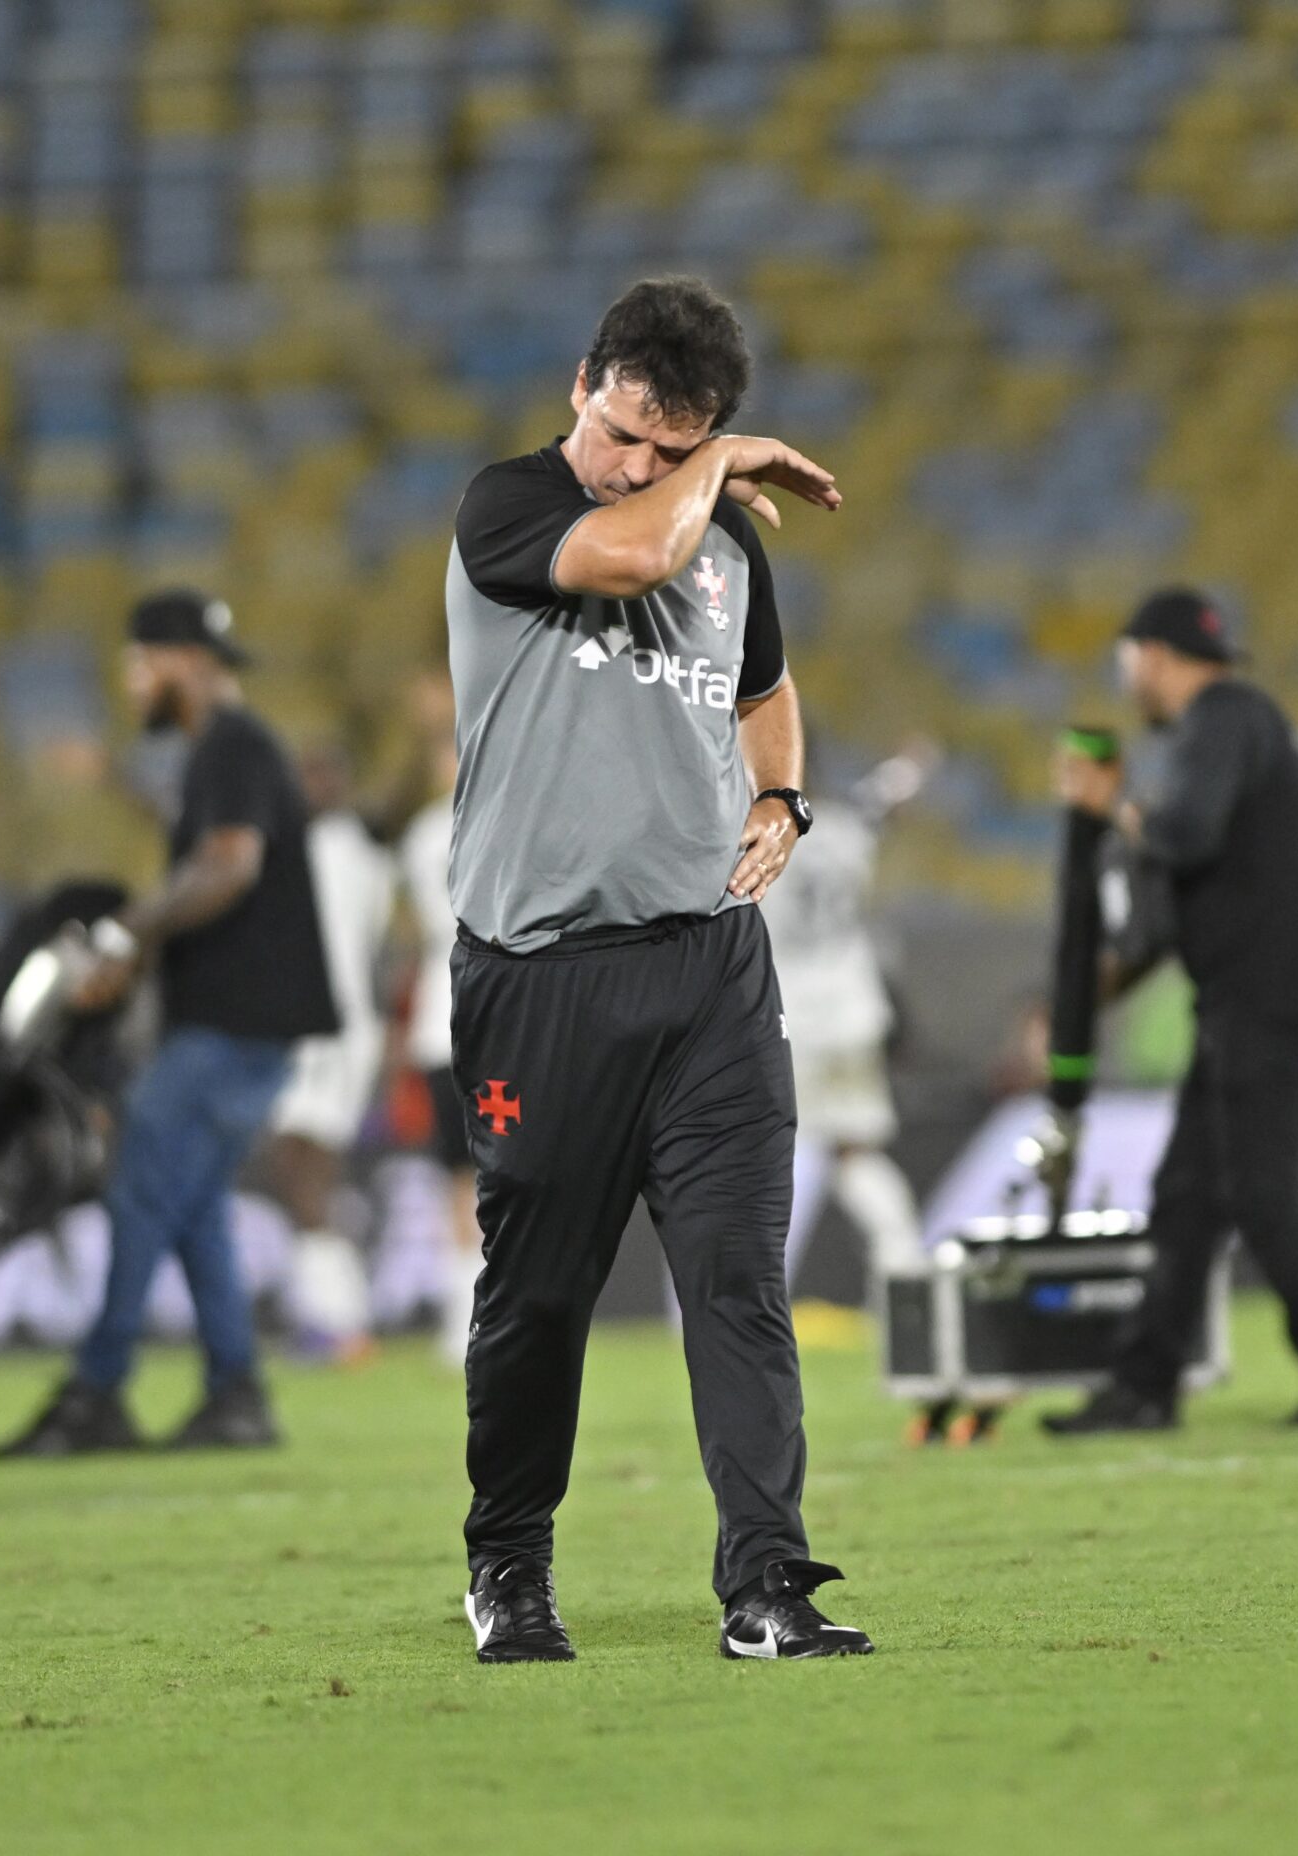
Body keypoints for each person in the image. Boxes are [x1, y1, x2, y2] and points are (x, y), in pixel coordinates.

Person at [444, 276, 870, 1664]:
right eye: (627, 430)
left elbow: (762, 687)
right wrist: (725, 466)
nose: (636, 464)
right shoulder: (506, 508)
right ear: (584, 384)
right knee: (537, 1302)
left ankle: (767, 1587)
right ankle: (507, 1564)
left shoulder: (735, 552)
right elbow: (625, 557)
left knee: (741, 1281)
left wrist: (781, 796)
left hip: (708, 976)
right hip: (541, 978)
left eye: (670, 447)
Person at [0, 589, 339, 1457]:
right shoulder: (227, 750)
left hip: (235, 1024)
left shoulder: (229, 743)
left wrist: (125, 933)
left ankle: (95, 1390)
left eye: (138, 661)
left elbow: (226, 866)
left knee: (144, 1183)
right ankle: (237, 1393)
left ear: (179, 659)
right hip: (244, 1023)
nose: (131, 680)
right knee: (190, 1208)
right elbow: (205, 849)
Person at [1045, 589, 1298, 1433]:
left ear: (1153, 657)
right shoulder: (1242, 725)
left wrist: (1108, 808)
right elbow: (1185, 887)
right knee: (1187, 1198)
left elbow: (1187, 833)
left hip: (1268, 997)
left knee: (1260, 1196)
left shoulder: (1224, 715)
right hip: (1251, 995)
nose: (1129, 680)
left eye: (1128, 662)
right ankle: (1143, 1386)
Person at [758, 745, 944, 1436]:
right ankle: (904, 1278)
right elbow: (882, 797)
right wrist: (908, 770)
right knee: (856, 1154)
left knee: (762, 1155)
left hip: (787, 1012)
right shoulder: (843, 826)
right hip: (853, 1007)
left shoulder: (751, 823)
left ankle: (735, 1309)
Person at [260, 739, 395, 1360]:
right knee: (297, 1168)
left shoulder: (337, 851)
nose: (306, 788)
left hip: (332, 1029)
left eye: (319, 775)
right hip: (320, 1027)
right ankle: (332, 1314)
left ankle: (341, 1323)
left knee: (303, 1166)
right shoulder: (354, 855)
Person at [397, 708, 482, 1365]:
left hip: (443, 1020)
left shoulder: (423, 835)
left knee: (465, 1176)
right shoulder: (504, 820)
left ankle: (465, 1323)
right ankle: (472, 1316)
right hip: (478, 1019)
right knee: (475, 1174)